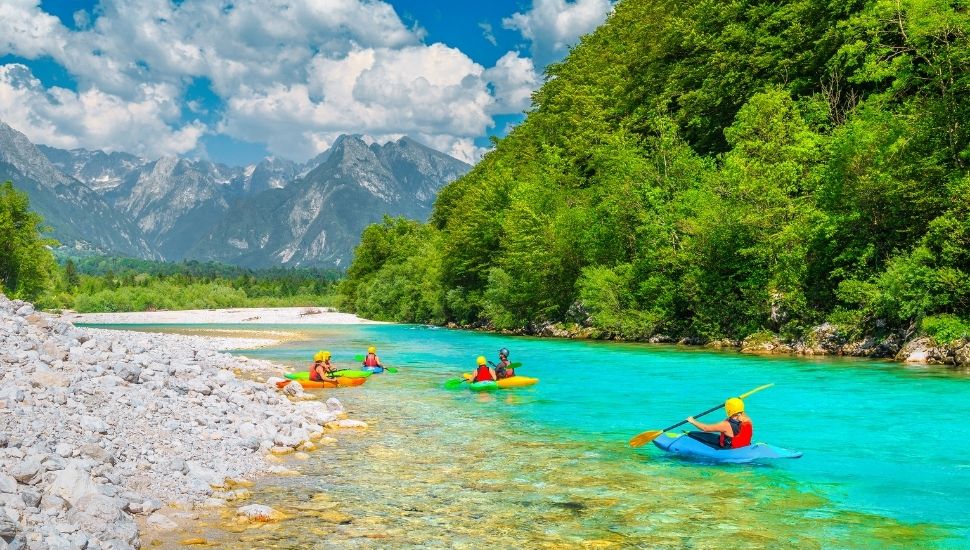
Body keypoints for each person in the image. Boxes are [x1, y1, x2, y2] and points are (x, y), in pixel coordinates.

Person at [685, 397, 753, 449]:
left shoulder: (725, 425)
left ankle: (687, 434)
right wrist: (736, 402)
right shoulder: (747, 419)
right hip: (741, 446)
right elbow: (738, 410)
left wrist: (692, 421)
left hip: (729, 448)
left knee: (698, 435)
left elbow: (706, 429)